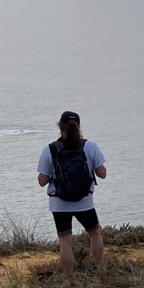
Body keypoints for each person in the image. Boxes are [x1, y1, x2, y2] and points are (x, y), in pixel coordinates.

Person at [36, 110, 107, 277]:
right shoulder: (90, 146)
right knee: (95, 233)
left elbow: (42, 181)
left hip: (59, 203)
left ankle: (69, 281)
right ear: (79, 127)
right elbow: (102, 173)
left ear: (60, 127)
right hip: (85, 201)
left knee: (65, 241)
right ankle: (102, 273)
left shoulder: (50, 149)